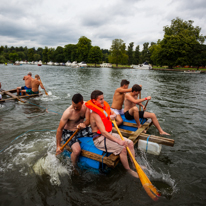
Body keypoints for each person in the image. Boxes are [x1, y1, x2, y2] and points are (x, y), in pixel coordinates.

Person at [86, 90, 140, 178]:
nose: (103, 101)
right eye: (100, 99)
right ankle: (128, 170)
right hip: (100, 139)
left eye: (103, 98)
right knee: (122, 148)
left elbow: (113, 113)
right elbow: (103, 132)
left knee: (130, 143)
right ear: (94, 101)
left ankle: (134, 164)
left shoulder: (103, 108)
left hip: (108, 134)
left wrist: (113, 116)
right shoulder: (95, 114)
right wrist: (118, 141)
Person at [56, 93, 92, 167]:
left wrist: (84, 124)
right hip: (68, 132)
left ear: (82, 102)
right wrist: (58, 146)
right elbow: (59, 129)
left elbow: (88, 121)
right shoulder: (68, 112)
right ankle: (74, 167)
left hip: (80, 130)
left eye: (77, 107)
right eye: (73, 106)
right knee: (77, 151)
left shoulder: (86, 106)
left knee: (96, 130)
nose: (75, 108)